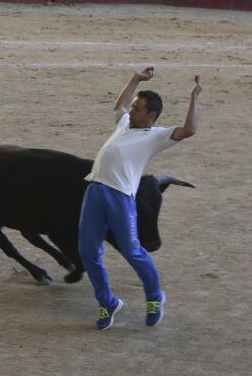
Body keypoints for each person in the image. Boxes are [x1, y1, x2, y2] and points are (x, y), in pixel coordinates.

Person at [78, 67, 202, 330]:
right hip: (95, 191)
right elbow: (120, 104)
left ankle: (155, 295)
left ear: (151, 115)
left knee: (132, 251)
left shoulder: (157, 136)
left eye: (137, 108)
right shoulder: (125, 123)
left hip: (120, 197)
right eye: (133, 106)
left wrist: (194, 97)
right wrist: (135, 78)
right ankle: (107, 301)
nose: (131, 110)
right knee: (88, 252)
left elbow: (190, 129)